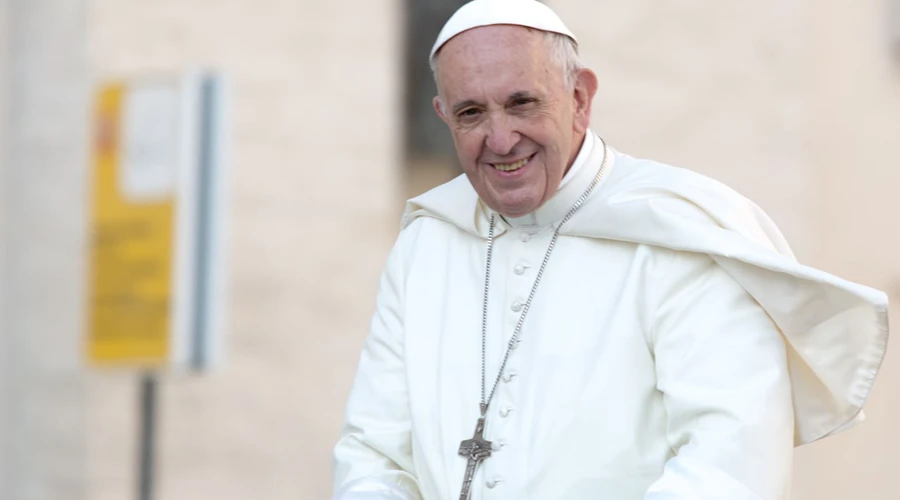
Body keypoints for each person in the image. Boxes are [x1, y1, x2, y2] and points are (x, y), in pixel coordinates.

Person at [331, 1, 890, 499]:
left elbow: (729, 465)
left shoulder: (682, 235)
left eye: (522, 103)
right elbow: (373, 453)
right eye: (471, 112)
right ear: (443, 116)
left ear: (580, 98)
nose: (500, 140)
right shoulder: (427, 242)